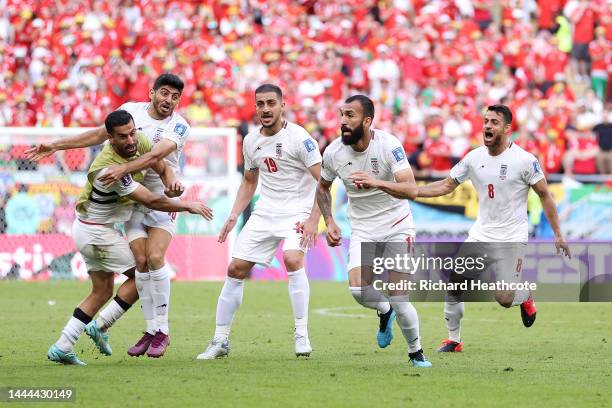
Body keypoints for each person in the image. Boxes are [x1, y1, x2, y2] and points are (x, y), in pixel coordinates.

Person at [27, 73, 190, 358]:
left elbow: (157, 159)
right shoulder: (126, 126)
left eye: (175, 96)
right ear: (151, 93)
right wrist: (57, 145)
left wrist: (171, 181)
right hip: (135, 202)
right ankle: (128, 328)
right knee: (145, 270)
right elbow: (97, 133)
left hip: (158, 198)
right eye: (164, 93)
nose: (169, 100)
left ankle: (66, 345)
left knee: (114, 283)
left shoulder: (178, 125)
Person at [47, 110, 213, 365]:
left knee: (101, 291)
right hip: (96, 233)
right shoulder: (107, 170)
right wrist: (186, 205)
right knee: (143, 277)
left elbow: (160, 165)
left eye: (133, 132)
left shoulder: (140, 140)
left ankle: (63, 345)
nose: (131, 140)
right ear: (110, 139)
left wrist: (171, 180)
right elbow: (150, 199)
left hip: (91, 229)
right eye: (123, 137)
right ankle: (103, 325)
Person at [417, 104, 571, 352]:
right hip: (481, 233)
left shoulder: (524, 160)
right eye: (486, 121)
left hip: (511, 237)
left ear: (507, 128)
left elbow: (545, 195)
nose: (487, 126)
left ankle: (525, 295)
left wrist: (558, 234)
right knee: (455, 282)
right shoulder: (474, 157)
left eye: (494, 122)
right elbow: (446, 186)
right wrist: (415, 191)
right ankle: (453, 340)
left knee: (504, 298)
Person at [196, 84, 321, 360]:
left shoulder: (300, 138)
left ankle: (301, 334)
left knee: (292, 259)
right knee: (236, 268)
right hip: (266, 211)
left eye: (271, 103)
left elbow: (323, 181)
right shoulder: (251, 140)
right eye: (260, 104)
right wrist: (233, 215)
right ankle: (219, 341)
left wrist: (315, 219)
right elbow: (250, 181)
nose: (265, 109)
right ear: (255, 107)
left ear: (282, 105)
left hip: (298, 209)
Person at [316, 95, 432, 368]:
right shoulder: (333, 152)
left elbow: (411, 188)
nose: (343, 121)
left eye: (350, 116)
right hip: (363, 229)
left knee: (400, 296)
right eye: (342, 115)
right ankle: (384, 310)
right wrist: (329, 220)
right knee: (358, 290)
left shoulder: (389, 145)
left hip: (397, 226)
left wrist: (377, 182)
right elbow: (322, 187)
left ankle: (416, 352)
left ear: (367, 121)